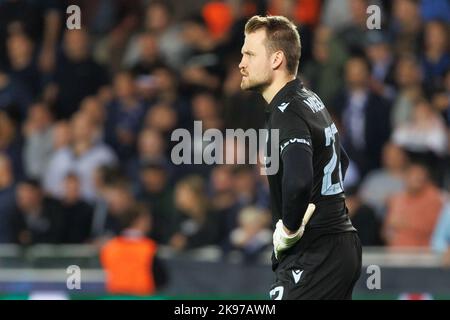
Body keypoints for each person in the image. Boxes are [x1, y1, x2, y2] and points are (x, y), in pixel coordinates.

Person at [238, 15, 361, 300]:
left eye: (249, 54)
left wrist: (289, 229)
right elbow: (341, 161)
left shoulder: (287, 112)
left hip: (315, 253)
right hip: (338, 246)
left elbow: (299, 181)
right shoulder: (309, 99)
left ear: (276, 59)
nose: (241, 63)